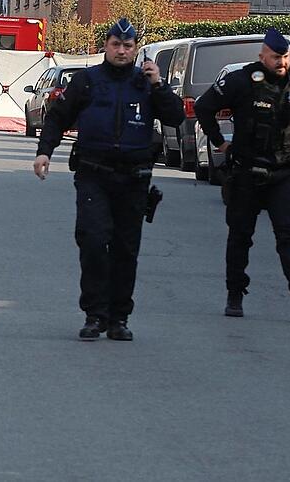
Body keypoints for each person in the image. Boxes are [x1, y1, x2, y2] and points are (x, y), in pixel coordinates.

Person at [33, 18, 185, 341]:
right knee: (92, 241)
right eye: (116, 44)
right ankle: (94, 315)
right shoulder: (87, 81)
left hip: (134, 178)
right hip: (94, 174)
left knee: (125, 250)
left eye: (128, 46)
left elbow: (175, 116)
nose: (121, 51)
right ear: (106, 46)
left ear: (136, 49)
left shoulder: (145, 83)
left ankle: (118, 318)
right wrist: (44, 152)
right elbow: (57, 118)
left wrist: (159, 84)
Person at [194, 28, 290, 320]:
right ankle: (235, 295)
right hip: (247, 172)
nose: (281, 62)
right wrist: (220, 142)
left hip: (284, 173)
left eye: (285, 57)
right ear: (262, 56)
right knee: (240, 236)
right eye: (275, 57)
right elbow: (204, 107)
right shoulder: (241, 81)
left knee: (288, 236)